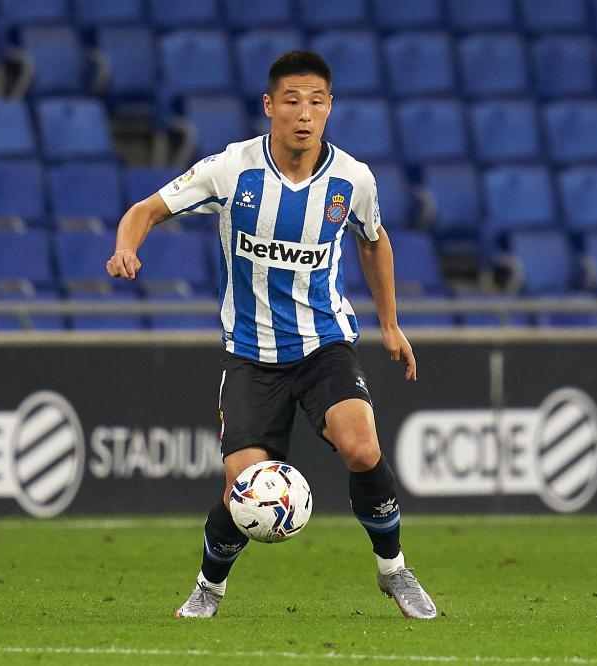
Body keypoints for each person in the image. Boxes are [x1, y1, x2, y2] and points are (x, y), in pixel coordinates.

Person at [106, 51, 437, 620]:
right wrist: (125, 248)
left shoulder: (352, 179)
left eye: (316, 102)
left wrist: (389, 324)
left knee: (362, 447)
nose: (304, 113)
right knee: (244, 487)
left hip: (324, 344)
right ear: (269, 106)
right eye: (292, 101)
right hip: (251, 356)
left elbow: (373, 240)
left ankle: (394, 570)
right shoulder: (231, 170)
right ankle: (209, 587)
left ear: (329, 107)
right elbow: (146, 209)